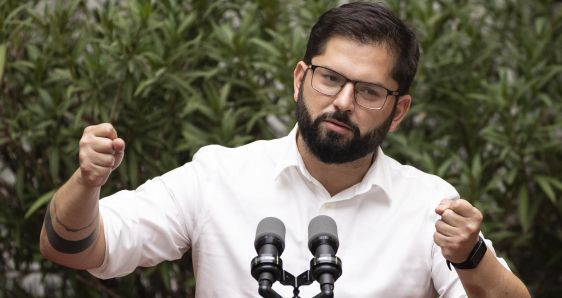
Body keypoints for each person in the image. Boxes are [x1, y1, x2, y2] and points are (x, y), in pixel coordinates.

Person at [40, 2, 530, 297]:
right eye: (330, 78)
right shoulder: (219, 176)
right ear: (301, 78)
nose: (342, 102)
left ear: (398, 111)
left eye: (369, 91)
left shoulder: (427, 203)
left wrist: (470, 256)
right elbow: (75, 249)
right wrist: (86, 183)